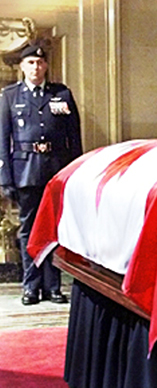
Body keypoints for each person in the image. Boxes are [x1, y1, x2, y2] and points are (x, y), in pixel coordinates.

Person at [0, 44, 83, 305]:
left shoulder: (62, 94)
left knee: (55, 230)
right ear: (22, 67)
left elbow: (74, 138)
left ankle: (53, 286)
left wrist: (76, 172)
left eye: (39, 62)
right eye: (31, 63)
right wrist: (5, 177)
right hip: (25, 171)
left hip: (56, 170)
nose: (36, 67)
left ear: (46, 65)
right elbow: (2, 140)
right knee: (29, 230)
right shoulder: (10, 97)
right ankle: (31, 286)